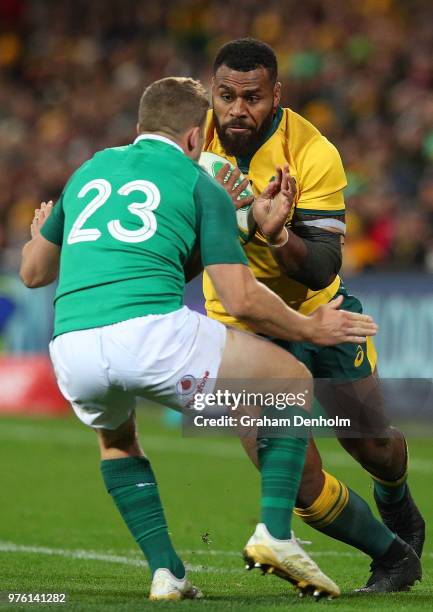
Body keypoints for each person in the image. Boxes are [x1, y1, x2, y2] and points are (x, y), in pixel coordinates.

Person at [19, 77, 378, 601]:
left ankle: (168, 573)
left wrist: (38, 237)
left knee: (117, 440)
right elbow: (239, 299)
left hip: (71, 347)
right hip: (149, 333)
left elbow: (32, 274)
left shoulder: (88, 170)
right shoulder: (198, 182)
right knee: (289, 379)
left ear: (139, 128)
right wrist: (310, 328)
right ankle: (276, 535)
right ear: (195, 137)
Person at [202, 38, 424, 593]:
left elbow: (323, 264)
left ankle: (397, 501)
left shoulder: (313, 151)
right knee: (295, 476)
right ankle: (393, 558)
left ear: (275, 93)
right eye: (225, 95)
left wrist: (275, 235)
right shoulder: (190, 140)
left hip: (315, 310)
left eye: (251, 97)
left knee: (370, 443)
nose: (236, 109)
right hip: (240, 322)